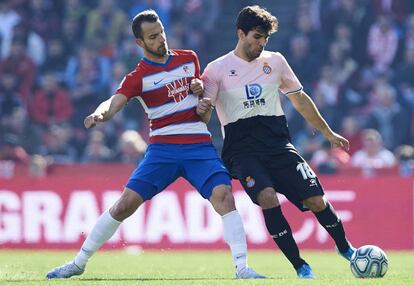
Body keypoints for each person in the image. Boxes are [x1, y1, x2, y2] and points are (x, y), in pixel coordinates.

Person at [46, 10, 264, 280]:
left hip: (198, 145)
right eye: (153, 36)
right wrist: (100, 114)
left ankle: (242, 268)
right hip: (163, 150)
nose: (161, 39)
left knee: (225, 197)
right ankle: (78, 262)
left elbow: (202, 112)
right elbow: (114, 102)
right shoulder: (138, 77)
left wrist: (202, 99)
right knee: (125, 204)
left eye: (161, 32)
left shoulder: (189, 59)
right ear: (140, 43)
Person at [199, 5, 356, 279]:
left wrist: (328, 133)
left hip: (278, 145)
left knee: (316, 199)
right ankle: (300, 265)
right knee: (267, 197)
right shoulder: (216, 70)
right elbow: (205, 112)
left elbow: (300, 99)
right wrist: (201, 103)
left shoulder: (276, 61)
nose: (261, 44)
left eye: (265, 39)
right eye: (257, 37)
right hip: (242, 151)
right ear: (241, 33)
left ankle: (346, 249)